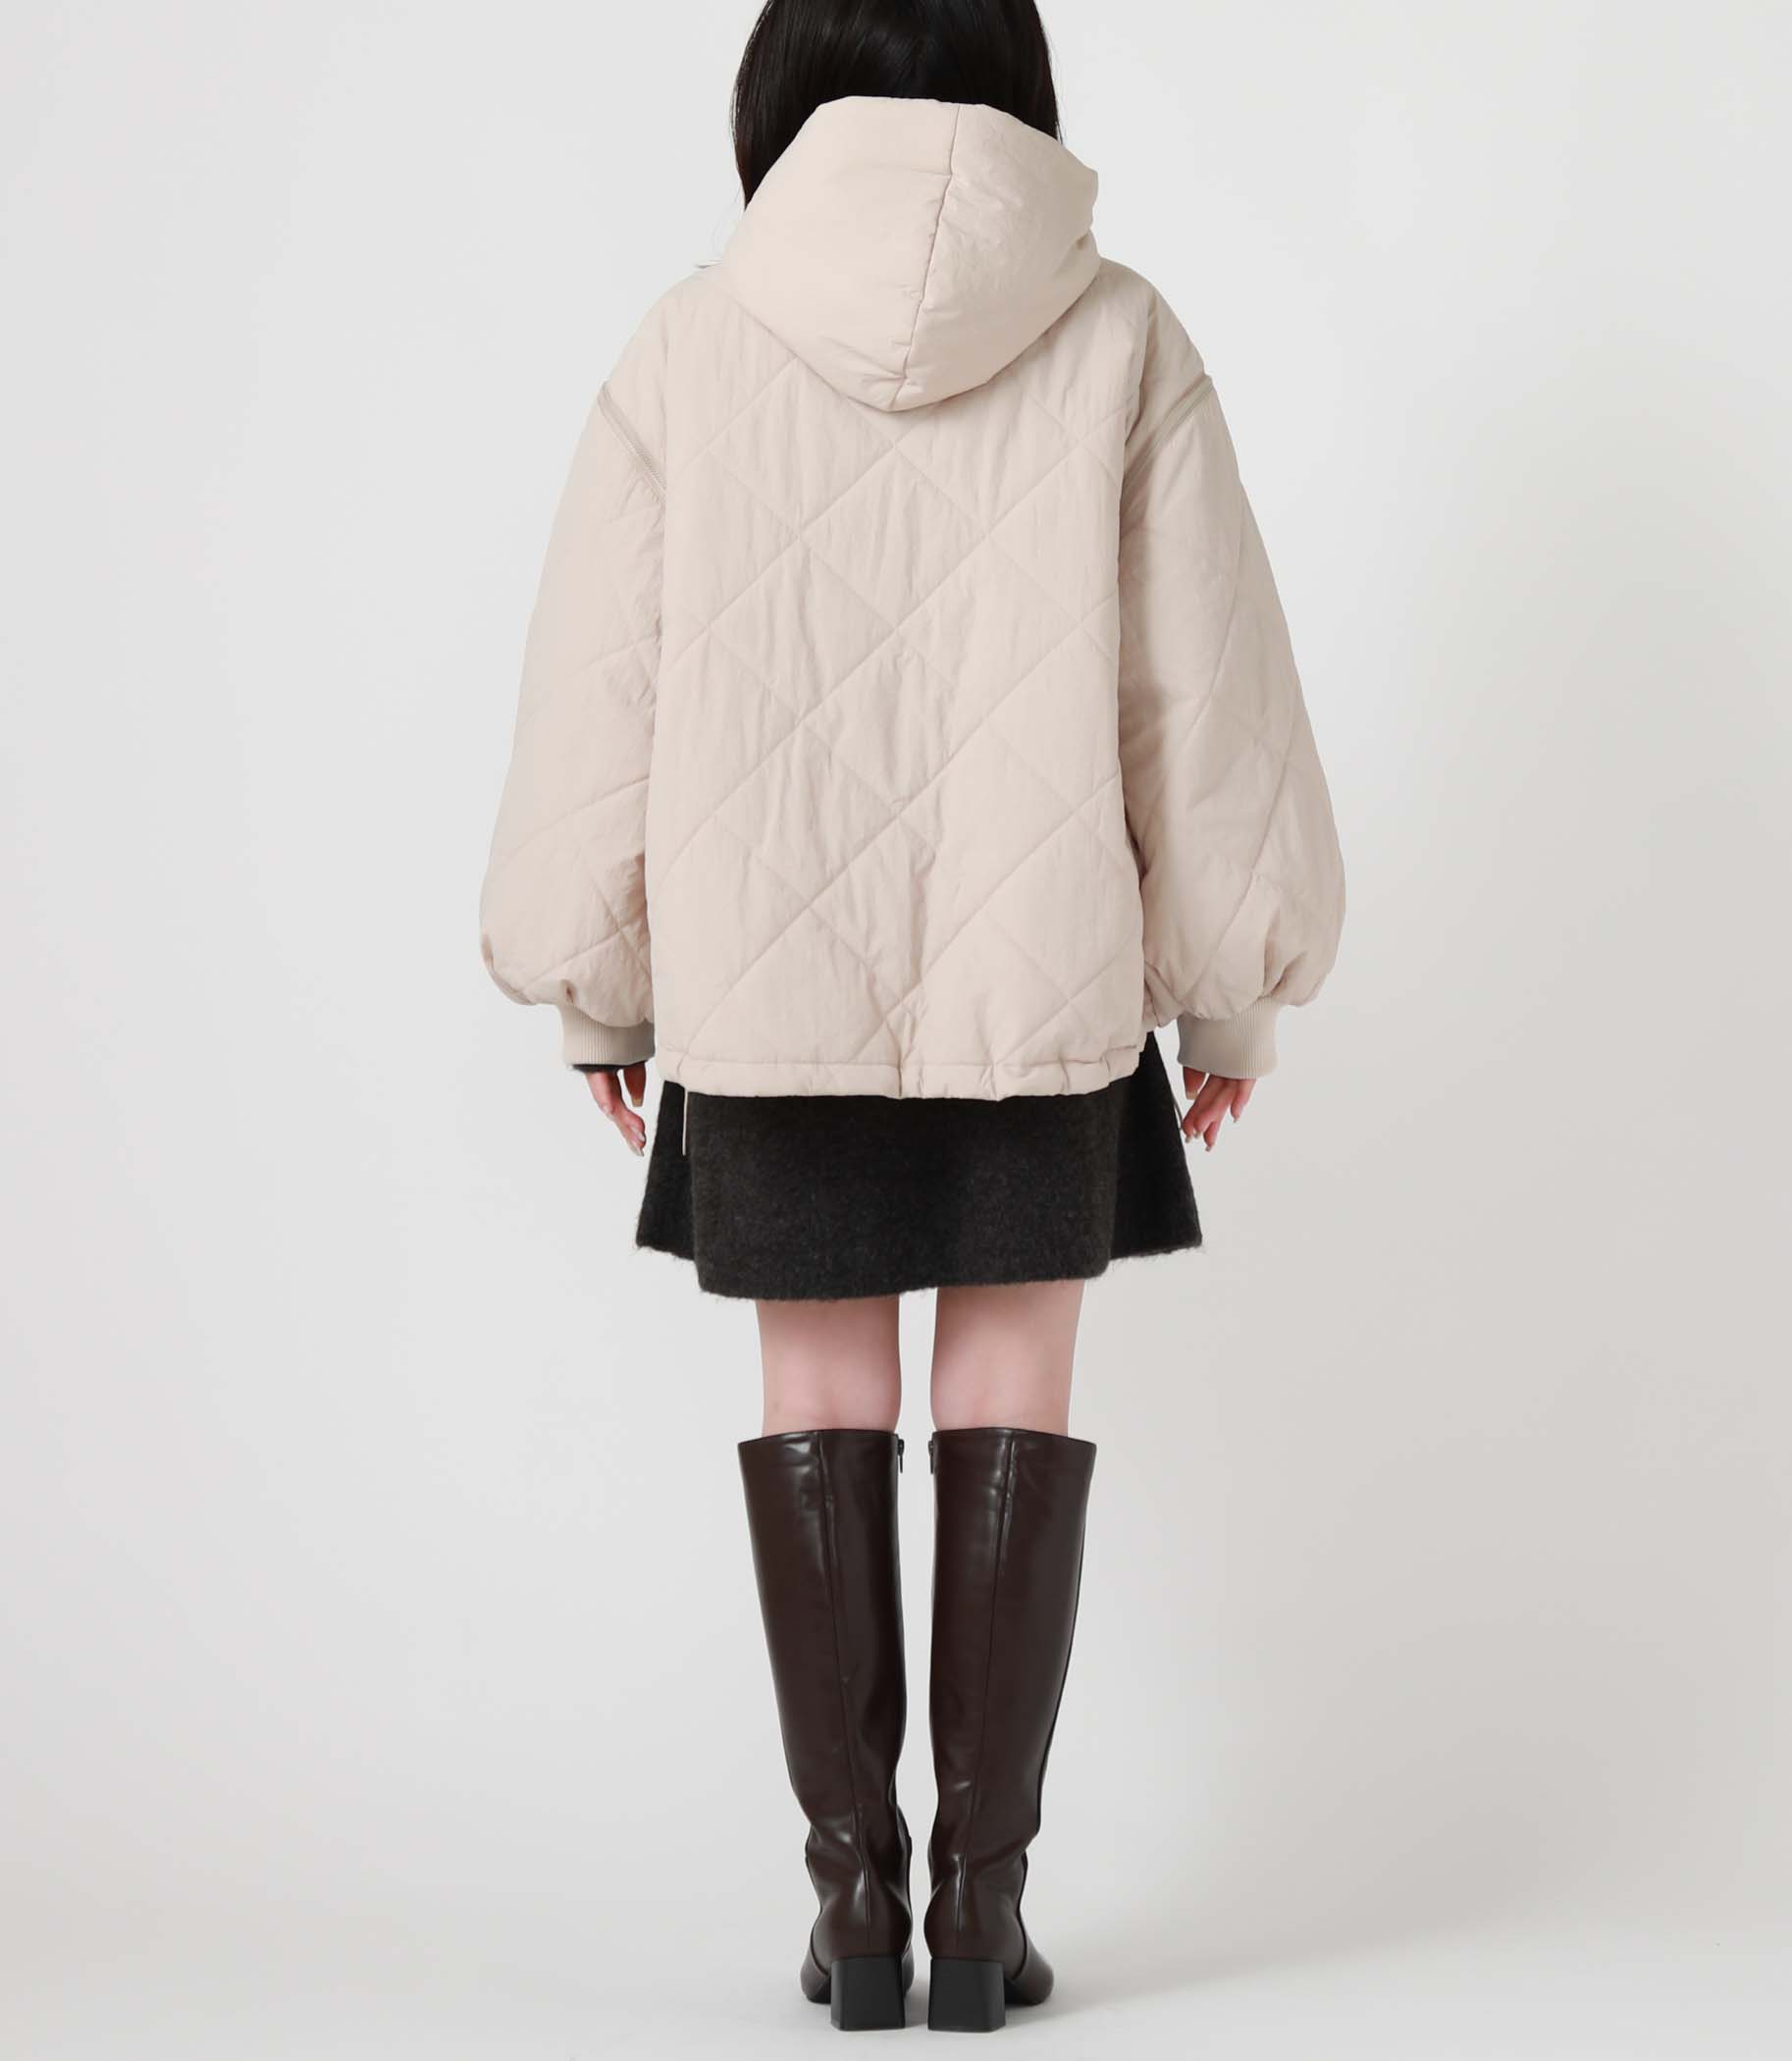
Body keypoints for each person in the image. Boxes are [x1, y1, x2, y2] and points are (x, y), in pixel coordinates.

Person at [479, 0, 1344, 2033]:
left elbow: (603, 684)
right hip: (1039, 978)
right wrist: (1232, 982)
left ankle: (853, 1906)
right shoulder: (1120, 332)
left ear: (778, 94)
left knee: (819, 1394)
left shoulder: (689, 342)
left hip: (763, 986)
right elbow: (1197, 690)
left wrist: (597, 985)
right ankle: (980, 1911)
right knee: (1011, 1385)